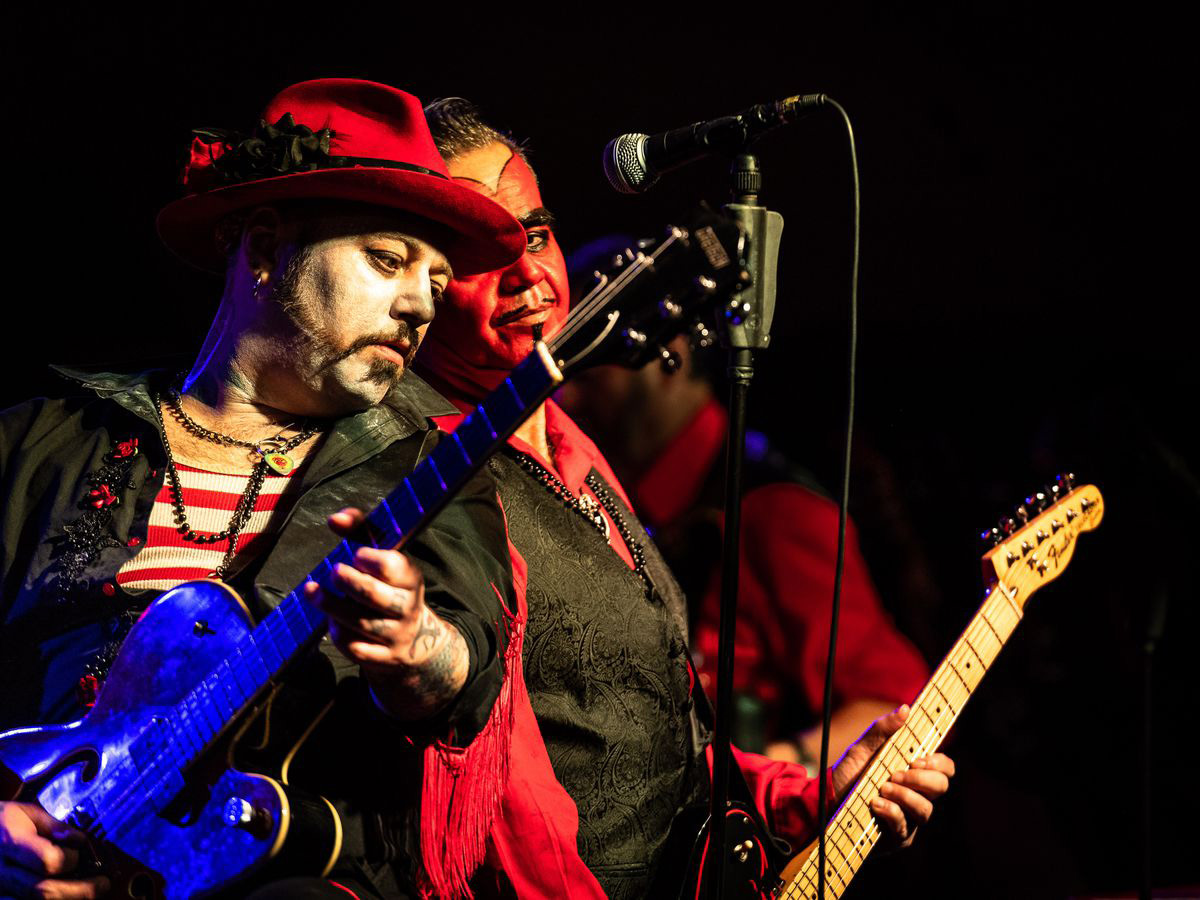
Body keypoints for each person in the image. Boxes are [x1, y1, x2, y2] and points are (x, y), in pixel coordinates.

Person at [0, 79, 528, 900]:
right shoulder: (37, 442)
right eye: (388, 259)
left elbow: (468, 675)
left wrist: (418, 643)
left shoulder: (429, 473)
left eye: (437, 278)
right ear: (266, 249)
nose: (421, 304)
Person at [417, 97, 955, 899]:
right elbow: (509, 799)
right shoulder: (431, 473)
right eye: (476, 250)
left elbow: (661, 736)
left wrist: (801, 790)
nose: (529, 273)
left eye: (534, 234)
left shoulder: (582, 454)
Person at [558, 326, 930, 770]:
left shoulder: (775, 512)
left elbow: (897, 703)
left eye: (587, 373)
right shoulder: (619, 505)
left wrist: (762, 779)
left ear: (669, 354)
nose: (563, 397)